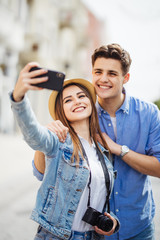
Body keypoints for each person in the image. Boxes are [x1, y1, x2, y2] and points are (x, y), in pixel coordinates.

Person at [33, 43, 160, 240]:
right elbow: (41, 173)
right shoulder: (80, 112)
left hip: (138, 228)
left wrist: (119, 150)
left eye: (112, 73)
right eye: (98, 72)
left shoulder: (149, 114)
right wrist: (47, 138)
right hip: (94, 233)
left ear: (125, 78)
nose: (103, 79)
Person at [9, 62, 120, 240]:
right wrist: (19, 97)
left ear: (90, 103)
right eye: (68, 100)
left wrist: (112, 223)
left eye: (81, 96)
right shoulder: (58, 141)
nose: (77, 101)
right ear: (62, 110)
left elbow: (102, 198)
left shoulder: (103, 152)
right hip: (56, 236)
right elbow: (32, 133)